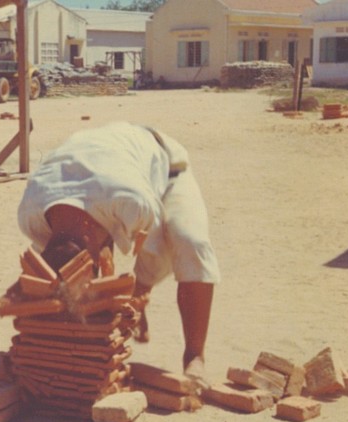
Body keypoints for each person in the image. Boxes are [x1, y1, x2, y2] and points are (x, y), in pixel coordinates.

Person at [17, 121, 220, 384]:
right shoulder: (30, 215)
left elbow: (154, 254)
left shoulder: (133, 203)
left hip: (167, 167)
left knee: (189, 241)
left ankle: (195, 357)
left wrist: (136, 297)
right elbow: (56, 265)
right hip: (101, 162)